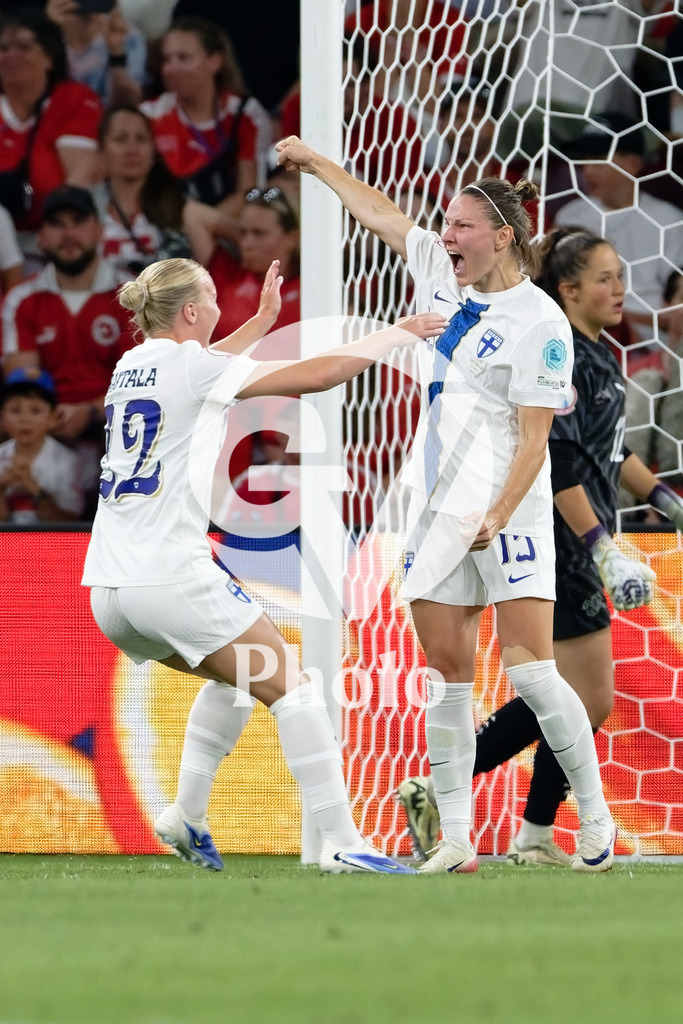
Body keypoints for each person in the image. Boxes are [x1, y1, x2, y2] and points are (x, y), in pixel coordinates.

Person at [276, 134, 620, 875]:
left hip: (510, 509)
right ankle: (456, 839)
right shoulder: (437, 267)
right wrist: (317, 164)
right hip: (436, 505)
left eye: (461, 225)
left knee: (530, 670)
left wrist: (496, 514)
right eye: (445, 222)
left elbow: (534, 442)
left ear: (501, 236)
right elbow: (381, 215)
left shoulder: (540, 323)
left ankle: (594, 819)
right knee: (445, 671)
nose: (446, 234)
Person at [80, 255, 448, 874]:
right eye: (213, 300)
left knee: (241, 679)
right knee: (295, 689)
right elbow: (320, 375)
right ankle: (340, 841)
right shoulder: (194, 367)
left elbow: (201, 370)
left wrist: (258, 324)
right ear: (192, 312)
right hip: (171, 575)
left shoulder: (132, 364)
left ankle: (185, 814)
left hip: (110, 589)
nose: (222, 307)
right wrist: (399, 333)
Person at [396, 228, 683, 866]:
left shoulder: (601, 357)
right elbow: (554, 457)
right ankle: (515, 821)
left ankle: (525, 828)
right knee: (569, 690)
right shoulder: (558, 352)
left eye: (619, 275)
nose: (620, 289)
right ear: (568, 289)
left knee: (562, 689)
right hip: (558, 536)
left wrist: (667, 504)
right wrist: (600, 546)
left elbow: (614, 452)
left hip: (579, 539)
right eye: (605, 278)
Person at [0, 184, 137, 508]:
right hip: (45, 430)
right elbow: (23, 385)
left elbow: (141, 385)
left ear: (99, 230)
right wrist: (49, 419)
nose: (68, 234)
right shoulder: (23, 300)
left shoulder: (131, 295)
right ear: (42, 236)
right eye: (57, 224)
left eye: (78, 221)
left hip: (114, 428)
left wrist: (90, 412)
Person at [140, 17, 271, 235]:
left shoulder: (246, 114)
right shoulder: (149, 115)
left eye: (184, 58)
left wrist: (197, 226)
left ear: (215, 61)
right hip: (160, 229)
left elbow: (249, 192)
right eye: (166, 59)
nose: (171, 68)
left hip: (227, 229)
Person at [0, 8, 102, 265]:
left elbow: (79, 182)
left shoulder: (73, 99)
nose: (11, 54)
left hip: (57, 245)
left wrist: (57, 235)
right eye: (3, 48)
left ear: (49, 58)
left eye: (24, 46)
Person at [92, 103, 197, 276]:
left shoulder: (179, 204)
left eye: (141, 139)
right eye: (120, 139)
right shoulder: (83, 204)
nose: (132, 150)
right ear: (101, 150)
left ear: (153, 150)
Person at [0, 365, 84, 523]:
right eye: (15, 410)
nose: (25, 419)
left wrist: (34, 489)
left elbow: (71, 523)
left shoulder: (67, 461)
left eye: (36, 411)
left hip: (50, 546)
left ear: (53, 418)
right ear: (2, 417)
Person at [45, 0, 147, 106]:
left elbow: (130, 103)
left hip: (106, 117)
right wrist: (48, 28)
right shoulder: (43, 34)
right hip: (60, 117)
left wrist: (116, 54)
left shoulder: (128, 37)